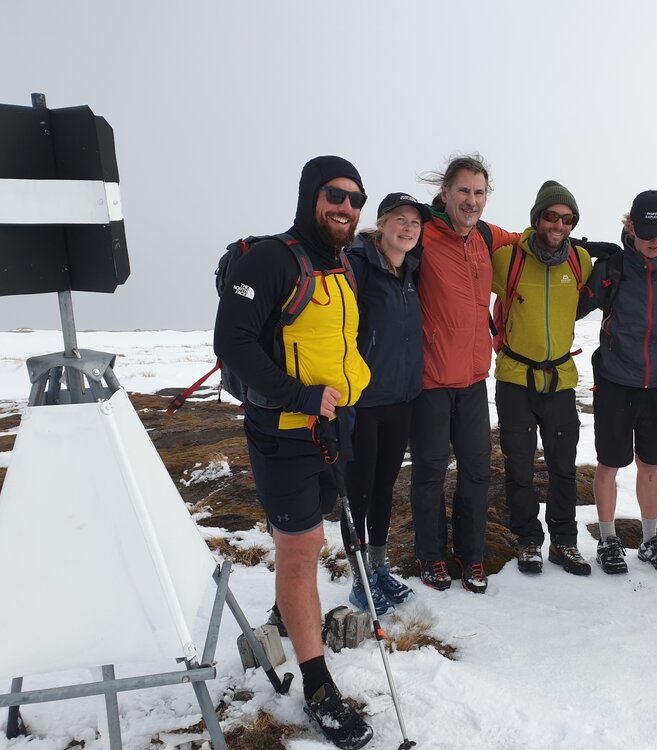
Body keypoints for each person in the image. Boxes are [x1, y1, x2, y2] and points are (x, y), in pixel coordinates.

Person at [214, 155, 373, 750]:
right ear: (311, 195)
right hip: (282, 433)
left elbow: (345, 342)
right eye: (336, 195)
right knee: (302, 549)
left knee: (311, 540)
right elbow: (230, 342)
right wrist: (299, 395)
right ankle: (317, 685)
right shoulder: (272, 260)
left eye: (356, 199)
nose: (347, 208)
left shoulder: (342, 266)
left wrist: (351, 386)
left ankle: (291, 615)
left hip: (331, 428)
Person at [410, 154, 519, 593]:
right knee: (430, 472)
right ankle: (431, 555)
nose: (471, 201)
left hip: (475, 379)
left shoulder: (487, 236)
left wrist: (586, 245)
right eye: (463, 192)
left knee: (477, 471)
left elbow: (530, 238)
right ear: (445, 194)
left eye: (479, 193)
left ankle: (470, 556)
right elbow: (377, 247)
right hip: (431, 381)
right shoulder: (422, 234)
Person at [578, 190, 657, 575]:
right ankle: (608, 539)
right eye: (646, 231)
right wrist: (575, 254)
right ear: (630, 227)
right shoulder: (613, 268)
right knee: (610, 462)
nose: (654, 239)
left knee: (651, 464)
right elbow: (570, 305)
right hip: (616, 380)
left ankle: (650, 540)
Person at [492, 181, 594, 576]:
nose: (558, 224)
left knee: (563, 466)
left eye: (566, 219)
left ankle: (564, 543)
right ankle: (528, 540)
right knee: (519, 464)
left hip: (561, 380)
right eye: (551, 216)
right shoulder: (508, 259)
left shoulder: (580, 261)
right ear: (537, 218)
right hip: (515, 378)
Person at [342, 192, 431, 615]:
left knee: (383, 487)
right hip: (363, 402)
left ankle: (377, 569)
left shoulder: (411, 269)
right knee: (357, 493)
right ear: (381, 223)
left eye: (415, 223)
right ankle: (359, 579)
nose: (409, 229)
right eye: (400, 220)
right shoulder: (357, 266)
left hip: (402, 399)